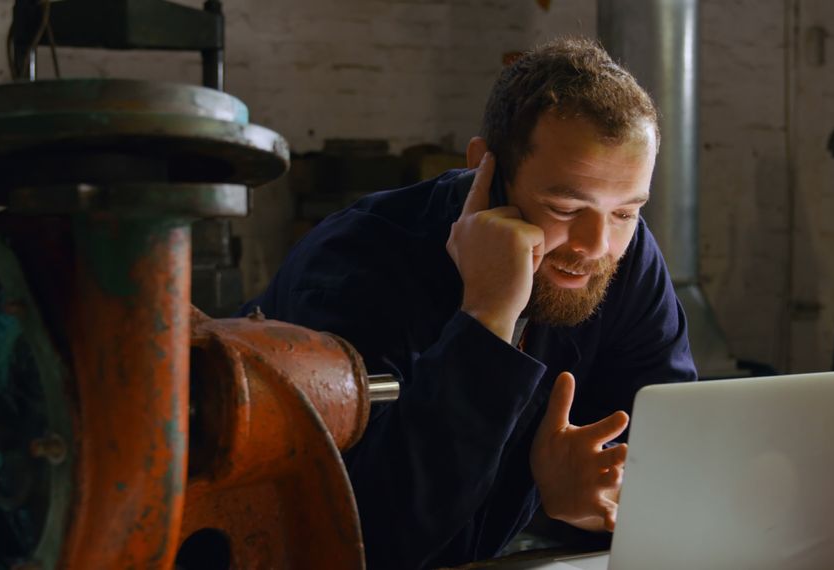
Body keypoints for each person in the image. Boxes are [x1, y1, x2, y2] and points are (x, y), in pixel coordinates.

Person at [240, 36, 697, 569]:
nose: (597, 247)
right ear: (486, 167)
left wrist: (592, 505)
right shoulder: (353, 269)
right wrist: (488, 317)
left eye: (626, 211)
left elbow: (668, 457)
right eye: (565, 206)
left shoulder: (625, 254)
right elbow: (367, 537)